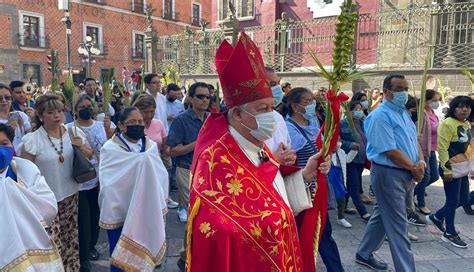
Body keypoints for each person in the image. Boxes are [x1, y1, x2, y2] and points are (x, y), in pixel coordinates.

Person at [186, 32, 329, 271]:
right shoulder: (215, 157)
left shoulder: (258, 146)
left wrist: (305, 175)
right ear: (238, 114)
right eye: (262, 108)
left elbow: (275, 195)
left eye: (272, 108)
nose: (270, 115)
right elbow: (216, 229)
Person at [356, 74, 425, 271]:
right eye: (398, 89)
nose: (403, 93)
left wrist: (419, 162)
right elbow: (389, 150)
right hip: (389, 173)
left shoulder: (403, 113)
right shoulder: (379, 116)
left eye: (405, 88)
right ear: (386, 92)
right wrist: (413, 167)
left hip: (406, 172)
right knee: (398, 225)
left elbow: (414, 140)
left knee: (382, 215)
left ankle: (363, 253)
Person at [20, 93, 93, 271]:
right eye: (51, 112)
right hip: (45, 200)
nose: (57, 115)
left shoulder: (73, 131)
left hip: (71, 196)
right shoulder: (32, 140)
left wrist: (80, 146)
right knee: (52, 242)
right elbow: (25, 173)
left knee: (71, 239)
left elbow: (90, 156)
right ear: (40, 115)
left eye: (60, 111)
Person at [99, 107, 168, 271]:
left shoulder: (150, 146)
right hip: (121, 211)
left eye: (140, 122)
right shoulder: (111, 148)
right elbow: (109, 183)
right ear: (122, 126)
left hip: (146, 209)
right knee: (120, 255)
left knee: (144, 251)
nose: (138, 125)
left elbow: (160, 175)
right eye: (132, 122)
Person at [285, 87, 344, 272]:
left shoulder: (313, 123)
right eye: (307, 102)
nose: (313, 105)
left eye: (313, 101)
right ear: (295, 106)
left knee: (323, 231)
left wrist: (326, 158)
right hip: (301, 188)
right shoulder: (289, 130)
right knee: (311, 231)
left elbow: (324, 149)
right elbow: (288, 163)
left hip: (320, 187)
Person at [0, 123, 63, 271]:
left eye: (4, 144)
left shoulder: (26, 169)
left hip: (33, 244)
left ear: (12, 145)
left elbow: (48, 205)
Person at [65, 95, 114, 271]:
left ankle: (91, 245)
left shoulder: (102, 126)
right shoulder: (68, 128)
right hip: (79, 180)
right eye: (82, 107)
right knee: (83, 218)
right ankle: (83, 252)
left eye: (88, 106)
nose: (86, 109)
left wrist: (109, 131)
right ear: (75, 111)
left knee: (95, 216)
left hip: (99, 179)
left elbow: (111, 146)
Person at [427, 96, 472, 249]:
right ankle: (449, 233)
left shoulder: (465, 123)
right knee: (453, 200)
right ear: (453, 108)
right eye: (460, 106)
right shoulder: (447, 124)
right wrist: (446, 170)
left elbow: (467, 147)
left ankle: (437, 216)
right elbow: (442, 147)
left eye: (467, 106)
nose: (464, 109)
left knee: (464, 198)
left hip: (463, 167)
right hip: (450, 169)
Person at [167, 82, 210, 222]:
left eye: (208, 97)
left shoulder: (211, 119)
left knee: (205, 213)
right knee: (192, 215)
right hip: (187, 168)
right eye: (200, 96)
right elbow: (172, 151)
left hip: (208, 170)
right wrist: (198, 143)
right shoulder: (181, 120)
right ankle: (182, 208)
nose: (205, 100)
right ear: (191, 99)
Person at [132, 93, 179, 209]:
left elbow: (165, 148)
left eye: (152, 111)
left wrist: (178, 148)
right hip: (136, 170)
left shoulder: (158, 124)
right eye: (145, 112)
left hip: (156, 167)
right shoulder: (132, 125)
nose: (149, 115)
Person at [340, 101, 371, 221]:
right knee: (354, 185)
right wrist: (350, 144)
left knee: (349, 184)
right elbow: (337, 142)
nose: (359, 112)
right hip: (350, 159)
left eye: (361, 109)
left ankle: (343, 206)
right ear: (349, 111)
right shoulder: (343, 124)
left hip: (361, 159)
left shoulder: (362, 123)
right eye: (357, 109)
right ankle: (362, 211)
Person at [415, 89, 441, 215]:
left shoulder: (433, 112)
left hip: (432, 149)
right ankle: (421, 203)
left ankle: (411, 194)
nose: (437, 103)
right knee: (425, 177)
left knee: (434, 176)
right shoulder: (421, 114)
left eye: (438, 100)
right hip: (423, 149)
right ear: (425, 101)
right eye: (434, 100)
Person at [263, 67, 293, 161]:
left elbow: (287, 146)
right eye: (272, 84)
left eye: (278, 84)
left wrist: (289, 156)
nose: (277, 89)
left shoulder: (278, 117)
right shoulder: (247, 119)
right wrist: (274, 161)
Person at [0, 83, 32, 155]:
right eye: (0, 98)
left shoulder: (20, 115)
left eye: (7, 97)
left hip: (21, 158)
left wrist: (35, 119)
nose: (4, 101)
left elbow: (30, 136)